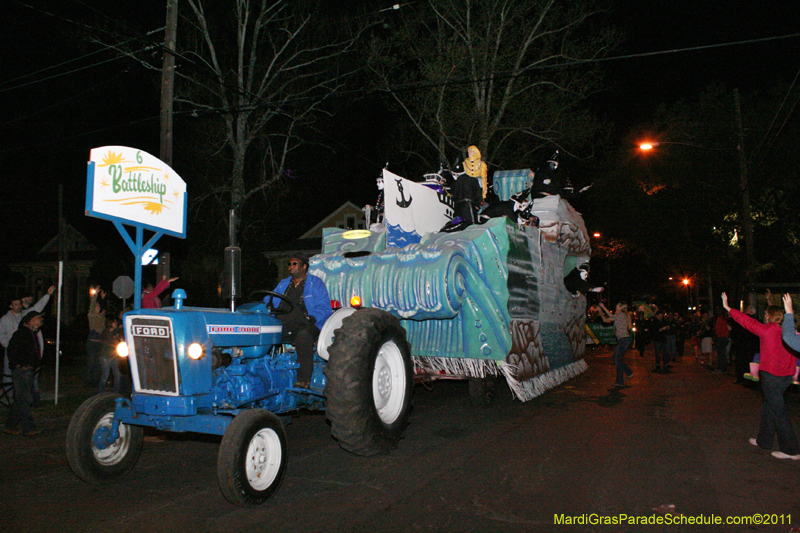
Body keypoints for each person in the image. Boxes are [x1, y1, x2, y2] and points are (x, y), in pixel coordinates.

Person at [722, 292, 799, 460]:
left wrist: (729, 308)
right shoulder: (789, 331)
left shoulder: (768, 330)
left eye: (765, 314)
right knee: (770, 407)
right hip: (786, 377)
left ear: (769, 317)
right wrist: (774, 302)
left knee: (778, 412)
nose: (764, 316)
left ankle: (791, 450)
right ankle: (764, 440)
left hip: (772, 377)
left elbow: (747, 321)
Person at [266, 253, 331, 389]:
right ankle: (267, 374)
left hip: (306, 323)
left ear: (304, 266)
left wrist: (312, 317)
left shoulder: (315, 283)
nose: (291, 267)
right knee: (264, 333)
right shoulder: (284, 283)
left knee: (303, 335)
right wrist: (268, 305)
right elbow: (270, 298)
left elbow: (324, 307)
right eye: (289, 264)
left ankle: (304, 379)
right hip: (283, 322)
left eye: (294, 264)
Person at [0, 286, 54, 400]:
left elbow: (37, 308)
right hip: (11, 351)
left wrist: (47, 295)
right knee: (9, 374)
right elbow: (2, 336)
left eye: (19, 304)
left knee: (25, 377)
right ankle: (8, 396)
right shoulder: (5, 319)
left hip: (24, 353)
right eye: (15, 304)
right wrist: (9, 346)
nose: (18, 306)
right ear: (11, 306)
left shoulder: (24, 315)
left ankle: (28, 398)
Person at [3, 311, 46, 435]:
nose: (41, 320)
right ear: (31, 320)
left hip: (28, 370)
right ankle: (29, 428)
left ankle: (10, 426)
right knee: (25, 398)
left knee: (21, 399)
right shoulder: (22, 333)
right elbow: (12, 350)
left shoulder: (32, 334)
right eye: (38, 318)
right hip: (22, 371)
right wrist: (20, 365)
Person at [599, 302, 633, 387]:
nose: (615, 306)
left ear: (620, 307)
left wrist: (601, 310)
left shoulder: (620, 315)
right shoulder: (621, 315)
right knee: (616, 359)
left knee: (617, 359)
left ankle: (627, 374)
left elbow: (607, 319)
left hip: (623, 340)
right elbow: (609, 317)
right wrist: (603, 308)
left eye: (617, 305)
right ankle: (621, 380)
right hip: (624, 339)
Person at [730, 305, 759, 384]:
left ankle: (741, 378)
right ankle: (750, 381)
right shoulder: (756, 321)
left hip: (742, 345)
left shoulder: (744, 321)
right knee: (751, 363)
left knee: (741, 363)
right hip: (752, 346)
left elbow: (735, 331)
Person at [85, 287, 106, 387]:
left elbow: (103, 308)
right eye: (97, 306)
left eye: (99, 306)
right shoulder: (91, 315)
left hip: (99, 342)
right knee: (91, 362)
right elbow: (93, 304)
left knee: (97, 363)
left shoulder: (101, 316)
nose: (98, 307)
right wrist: (95, 295)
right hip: (92, 342)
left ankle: (95, 380)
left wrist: (102, 299)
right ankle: (87, 380)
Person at [98, 316, 123, 393]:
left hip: (115, 356)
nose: (116, 323)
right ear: (110, 323)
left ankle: (116, 392)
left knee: (117, 375)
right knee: (105, 375)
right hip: (106, 357)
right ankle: (101, 392)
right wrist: (118, 329)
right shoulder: (105, 332)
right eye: (114, 322)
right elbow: (109, 335)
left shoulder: (117, 333)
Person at [713, 309, 731, 373]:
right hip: (723, 337)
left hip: (721, 337)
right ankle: (723, 367)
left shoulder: (720, 319)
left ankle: (721, 367)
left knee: (721, 353)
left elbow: (718, 329)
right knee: (722, 353)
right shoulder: (725, 319)